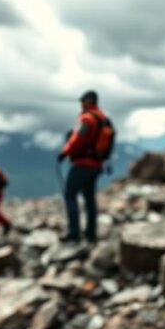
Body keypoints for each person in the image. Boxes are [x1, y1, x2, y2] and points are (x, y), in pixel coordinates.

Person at [58, 90, 111, 243]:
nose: (80, 104)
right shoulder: (103, 119)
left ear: (87, 101)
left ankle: (74, 232)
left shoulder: (87, 119)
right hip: (97, 165)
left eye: (82, 101)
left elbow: (78, 138)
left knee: (70, 194)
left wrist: (65, 152)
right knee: (89, 198)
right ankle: (91, 233)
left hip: (82, 163)